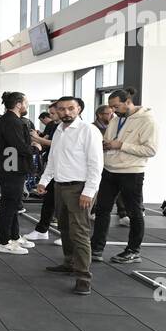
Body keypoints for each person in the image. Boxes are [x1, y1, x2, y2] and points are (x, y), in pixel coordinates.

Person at [36, 96, 102, 296]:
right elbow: (54, 158)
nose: (66, 113)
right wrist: (44, 181)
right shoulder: (59, 130)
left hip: (80, 188)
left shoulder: (88, 130)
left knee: (80, 232)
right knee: (64, 227)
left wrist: (89, 192)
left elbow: (96, 164)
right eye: (62, 109)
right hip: (60, 187)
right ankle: (69, 263)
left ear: (79, 109)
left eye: (70, 109)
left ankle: (83, 276)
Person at [90, 87, 157, 265]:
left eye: (115, 106)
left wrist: (121, 145)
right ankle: (96, 248)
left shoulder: (147, 120)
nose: (112, 111)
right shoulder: (116, 119)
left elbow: (150, 150)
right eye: (110, 107)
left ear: (128, 102)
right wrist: (106, 145)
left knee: (134, 212)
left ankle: (134, 251)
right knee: (102, 210)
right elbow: (111, 141)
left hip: (131, 172)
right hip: (110, 170)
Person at [0, 92, 36, 255]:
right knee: (9, 204)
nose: (27, 105)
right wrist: (35, 148)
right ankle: (4, 242)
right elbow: (18, 144)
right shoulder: (11, 121)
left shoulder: (10, 120)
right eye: (26, 102)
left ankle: (14, 236)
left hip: (11, 167)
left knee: (14, 204)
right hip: (10, 168)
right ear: (18, 104)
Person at [25, 102, 63, 244]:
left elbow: (55, 144)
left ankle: (66, 235)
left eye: (53, 113)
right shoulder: (56, 126)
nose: (51, 116)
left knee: (64, 205)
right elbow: (53, 146)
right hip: (54, 166)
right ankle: (42, 230)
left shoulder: (74, 128)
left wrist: (37, 139)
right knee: (49, 200)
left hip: (67, 172)